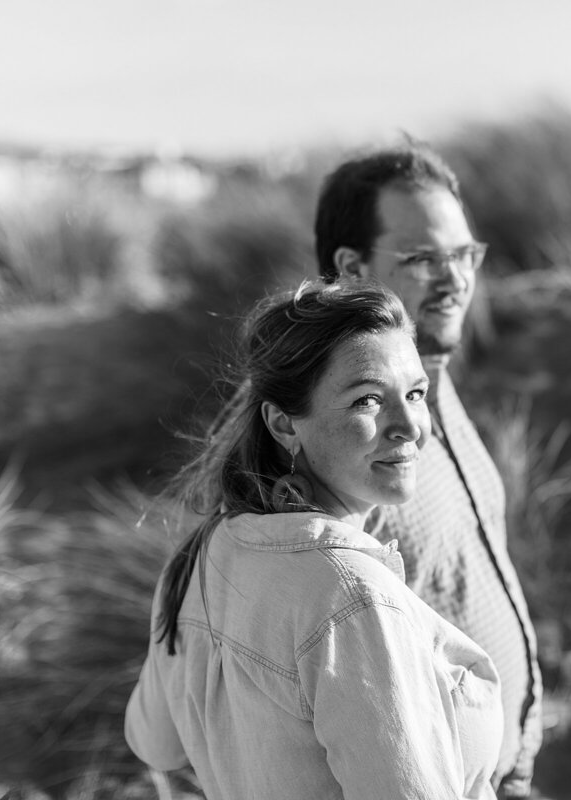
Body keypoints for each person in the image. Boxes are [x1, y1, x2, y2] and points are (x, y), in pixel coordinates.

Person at [124, 282, 504, 799]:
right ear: (283, 424)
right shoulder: (353, 598)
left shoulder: (202, 555)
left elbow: (154, 743)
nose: (410, 426)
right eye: (367, 399)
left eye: (415, 393)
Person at [315, 144, 542, 797]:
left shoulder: (428, 375)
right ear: (352, 268)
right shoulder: (324, 430)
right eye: (422, 259)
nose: (456, 280)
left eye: (464, 254)